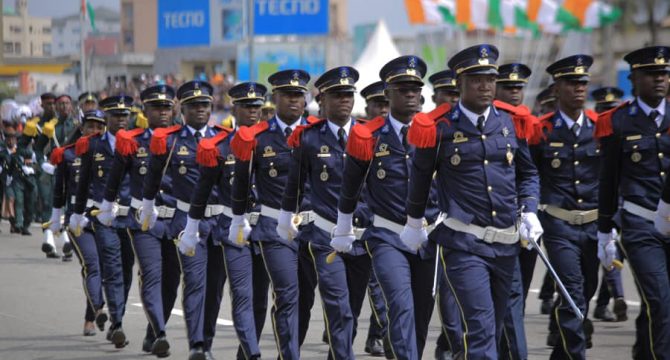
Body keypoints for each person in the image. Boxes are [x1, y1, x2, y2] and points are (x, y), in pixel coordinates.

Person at [404, 44, 541, 359]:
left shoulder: (512, 122)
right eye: (477, 79)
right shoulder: (438, 128)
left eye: (490, 79)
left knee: (494, 328)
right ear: (459, 83)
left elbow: (528, 174)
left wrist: (530, 210)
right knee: (480, 329)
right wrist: (414, 222)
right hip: (464, 244)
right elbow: (421, 179)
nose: (486, 86)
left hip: (506, 244)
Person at [336, 56, 444, 360]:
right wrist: (344, 227)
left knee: (422, 311)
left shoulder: (438, 131)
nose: (410, 94)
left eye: (414, 88)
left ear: (422, 95)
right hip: (387, 236)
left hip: (428, 236)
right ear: (388, 93)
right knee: (400, 304)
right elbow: (350, 185)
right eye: (402, 88)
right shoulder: (368, 134)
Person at [276, 66, 370, 359]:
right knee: (338, 306)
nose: (344, 100)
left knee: (352, 309)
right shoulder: (309, 139)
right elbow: (295, 185)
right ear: (322, 100)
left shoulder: (368, 135)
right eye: (337, 95)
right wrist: (287, 217)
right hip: (324, 236)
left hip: (362, 237)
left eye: (348, 95)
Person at [229, 69, 313, 360]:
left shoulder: (315, 134)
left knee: (306, 299)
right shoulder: (257, 137)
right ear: (275, 98)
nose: (294, 101)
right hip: (273, 226)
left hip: (313, 227)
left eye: (299, 95)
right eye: (288, 95)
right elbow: (241, 182)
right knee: (287, 295)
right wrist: (238, 220)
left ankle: (285, 353)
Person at [140, 80, 225, 360]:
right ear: (183, 109)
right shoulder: (170, 139)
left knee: (214, 289)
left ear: (211, 107)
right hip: (186, 222)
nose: (200, 109)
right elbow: (152, 178)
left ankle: (207, 341)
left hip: (220, 223)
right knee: (194, 282)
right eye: (194, 105)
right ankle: (197, 345)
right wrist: (148, 207)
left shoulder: (225, 139)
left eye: (205, 104)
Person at [185, 82, 270, 360]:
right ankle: (251, 352)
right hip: (231, 230)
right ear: (234, 108)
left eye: (257, 107)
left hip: (265, 229)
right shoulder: (220, 147)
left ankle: (245, 352)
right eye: (246, 107)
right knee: (240, 293)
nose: (253, 112)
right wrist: (191, 226)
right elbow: (202, 189)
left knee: (260, 298)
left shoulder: (272, 143)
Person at [99, 85, 181, 358]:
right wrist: (108, 206)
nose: (163, 113)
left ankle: (151, 332)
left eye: (167, 107)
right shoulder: (131, 141)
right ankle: (160, 332)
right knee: (151, 274)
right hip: (143, 221)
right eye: (156, 108)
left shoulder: (183, 140)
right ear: (144, 111)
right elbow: (114, 178)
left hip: (176, 221)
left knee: (172, 281)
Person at [528, 55, 600, 359]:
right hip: (558, 224)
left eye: (583, 82)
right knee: (572, 293)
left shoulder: (601, 126)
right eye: (571, 83)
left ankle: (561, 351)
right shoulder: (541, 130)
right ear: (557, 89)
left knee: (585, 291)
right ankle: (576, 354)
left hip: (595, 223)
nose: (579, 88)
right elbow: (529, 174)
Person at [602, 45, 670, 360]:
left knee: (654, 303)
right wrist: (605, 232)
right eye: (651, 74)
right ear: (634, 79)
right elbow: (608, 180)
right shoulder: (618, 122)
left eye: (664, 73)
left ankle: (645, 352)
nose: (659, 79)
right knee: (660, 299)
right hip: (639, 223)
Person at [70, 95, 134, 348]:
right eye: (115, 115)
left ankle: (119, 314)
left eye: (124, 115)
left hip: (129, 218)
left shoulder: (137, 142)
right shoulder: (92, 145)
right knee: (113, 268)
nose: (120, 119)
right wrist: (76, 214)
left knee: (127, 271)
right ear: (107, 117)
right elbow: (84, 182)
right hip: (102, 217)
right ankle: (117, 323)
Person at [49, 110, 107, 336]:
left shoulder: (111, 153)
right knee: (92, 264)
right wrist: (56, 216)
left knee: (104, 269)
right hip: (77, 217)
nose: (94, 131)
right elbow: (59, 189)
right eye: (90, 126)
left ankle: (90, 317)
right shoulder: (67, 155)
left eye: (99, 126)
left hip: (103, 216)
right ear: (81, 128)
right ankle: (98, 309)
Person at [494, 62, 534, 360]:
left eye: (519, 87)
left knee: (514, 298)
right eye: (509, 87)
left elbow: (530, 173)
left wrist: (530, 210)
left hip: (522, 224)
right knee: (496, 301)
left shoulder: (522, 123)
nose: (515, 92)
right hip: (478, 229)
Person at [357, 79, 393, 358]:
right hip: (359, 223)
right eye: (377, 104)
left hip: (389, 227)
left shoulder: (399, 136)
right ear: (367, 107)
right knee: (363, 288)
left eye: (386, 103)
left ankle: (378, 335)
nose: (382, 108)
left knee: (382, 285)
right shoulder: (359, 137)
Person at [589, 86, 628, 323]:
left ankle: (606, 302)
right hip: (594, 204)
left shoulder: (627, 132)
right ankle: (617, 297)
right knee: (607, 253)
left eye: (613, 109)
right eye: (605, 109)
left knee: (614, 254)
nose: (609, 113)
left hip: (623, 201)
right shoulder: (592, 134)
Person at [35, 94, 77, 257]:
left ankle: (67, 241)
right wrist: (43, 163)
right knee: (50, 203)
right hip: (54, 171)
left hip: (73, 171)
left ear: (71, 105)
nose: (64, 106)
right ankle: (51, 240)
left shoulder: (78, 126)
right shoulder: (50, 127)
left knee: (70, 206)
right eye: (60, 104)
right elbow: (38, 149)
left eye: (67, 103)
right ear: (56, 108)